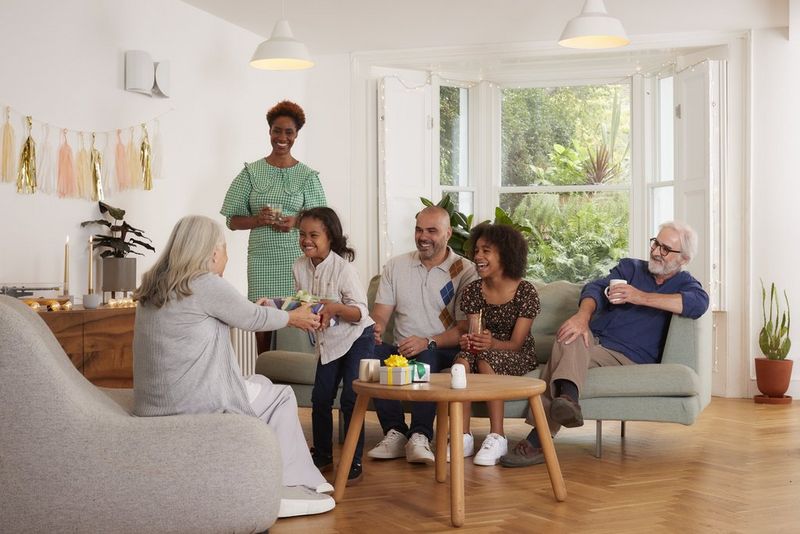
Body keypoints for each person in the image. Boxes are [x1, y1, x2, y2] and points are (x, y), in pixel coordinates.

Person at [132, 215, 335, 518]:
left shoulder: (158, 283)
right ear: (212, 252)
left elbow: (241, 311)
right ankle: (286, 484)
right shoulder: (204, 282)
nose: (226, 257)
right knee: (281, 397)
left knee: (261, 385)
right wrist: (295, 317)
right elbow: (251, 319)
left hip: (156, 400)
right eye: (225, 250)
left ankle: (254, 473)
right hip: (190, 402)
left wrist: (263, 309)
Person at [499, 221, 710, 468]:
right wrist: (582, 317)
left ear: (683, 259)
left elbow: (698, 304)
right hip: (596, 341)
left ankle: (538, 440)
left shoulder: (685, 284)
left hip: (628, 354)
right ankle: (568, 400)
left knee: (564, 346)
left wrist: (639, 297)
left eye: (665, 249)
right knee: (569, 334)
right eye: (655, 243)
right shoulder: (631, 268)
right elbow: (596, 288)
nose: (655, 252)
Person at [367, 206, 479, 464]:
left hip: (442, 348)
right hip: (401, 349)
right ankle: (395, 432)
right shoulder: (396, 266)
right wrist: (375, 329)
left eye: (432, 230)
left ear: (448, 233)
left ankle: (420, 435)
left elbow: (464, 327)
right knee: (369, 354)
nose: (423, 236)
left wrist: (427, 341)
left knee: (424, 357)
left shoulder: (464, 270)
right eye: (419, 230)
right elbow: (381, 314)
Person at [220, 100, 327, 355]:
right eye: (277, 131)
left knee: (299, 323)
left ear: (296, 135)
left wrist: (296, 221)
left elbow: (323, 221)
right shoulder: (251, 173)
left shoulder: (307, 176)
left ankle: (298, 381)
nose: (282, 137)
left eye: (288, 132)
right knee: (262, 323)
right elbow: (231, 220)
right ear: (269, 132)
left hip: (297, 260)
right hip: (262, 262)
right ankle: (266, 376)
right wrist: (257, 220)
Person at [293, 207, 375, 486]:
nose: (307, 240)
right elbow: (305, 304)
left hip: (357, 338)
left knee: (352, 400)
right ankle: (324, 455)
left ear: (330, 238)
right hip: (328, 340)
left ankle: (354, 459)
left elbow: (360, 314)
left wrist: (337, 307)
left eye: (314, 235)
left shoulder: (343, 269)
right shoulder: (298, 267)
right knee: (321, 397)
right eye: (302, 234)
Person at [450, 224, 540, 466]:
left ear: (506, 254)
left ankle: (498, 436)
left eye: (486, 251)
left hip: (516, 354)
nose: (478, 257)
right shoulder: (472, 292)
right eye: (477, 250)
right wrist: (469, 341)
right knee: (461, 362)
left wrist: (490, 344)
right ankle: (462, 435)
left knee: (485, 358)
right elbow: (473, 332)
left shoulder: (525, 292)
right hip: (483, 350)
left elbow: (516, 343)